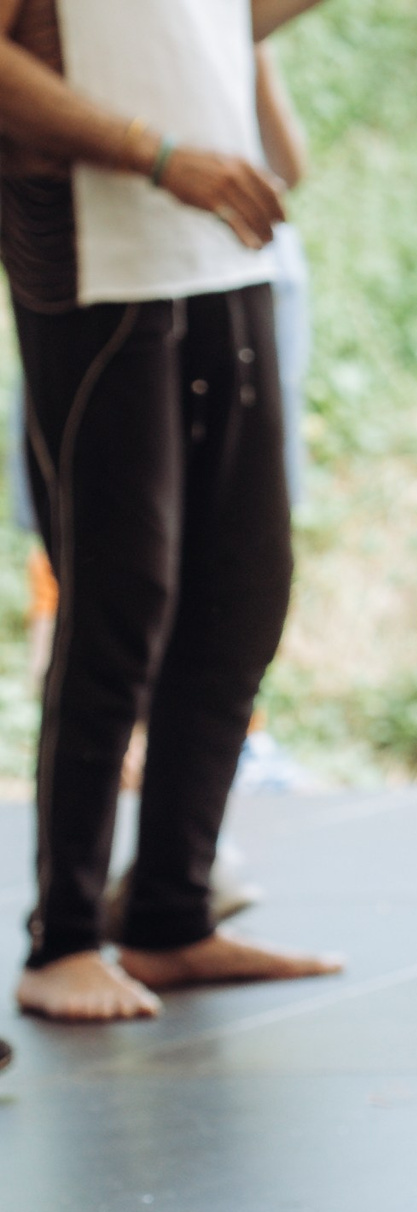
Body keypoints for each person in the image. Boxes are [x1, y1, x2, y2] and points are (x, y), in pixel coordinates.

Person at [1, 0, 343, 1023]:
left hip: (223, 254)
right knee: (120, 595)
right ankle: (61, 940)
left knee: (244, 592)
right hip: (98, 262)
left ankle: (169, 918)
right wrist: (159, 155)